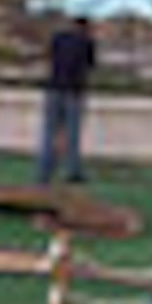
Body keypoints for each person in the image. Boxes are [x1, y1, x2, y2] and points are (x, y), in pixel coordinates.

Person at [37, 17, 98, 185]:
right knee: (72, 133)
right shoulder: (87, 41)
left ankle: (44, 170)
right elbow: (91, 65)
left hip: (54, 87)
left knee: (49, 132)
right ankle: (72, 169)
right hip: (74, 91)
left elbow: (49, 58)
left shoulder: (58, 38)